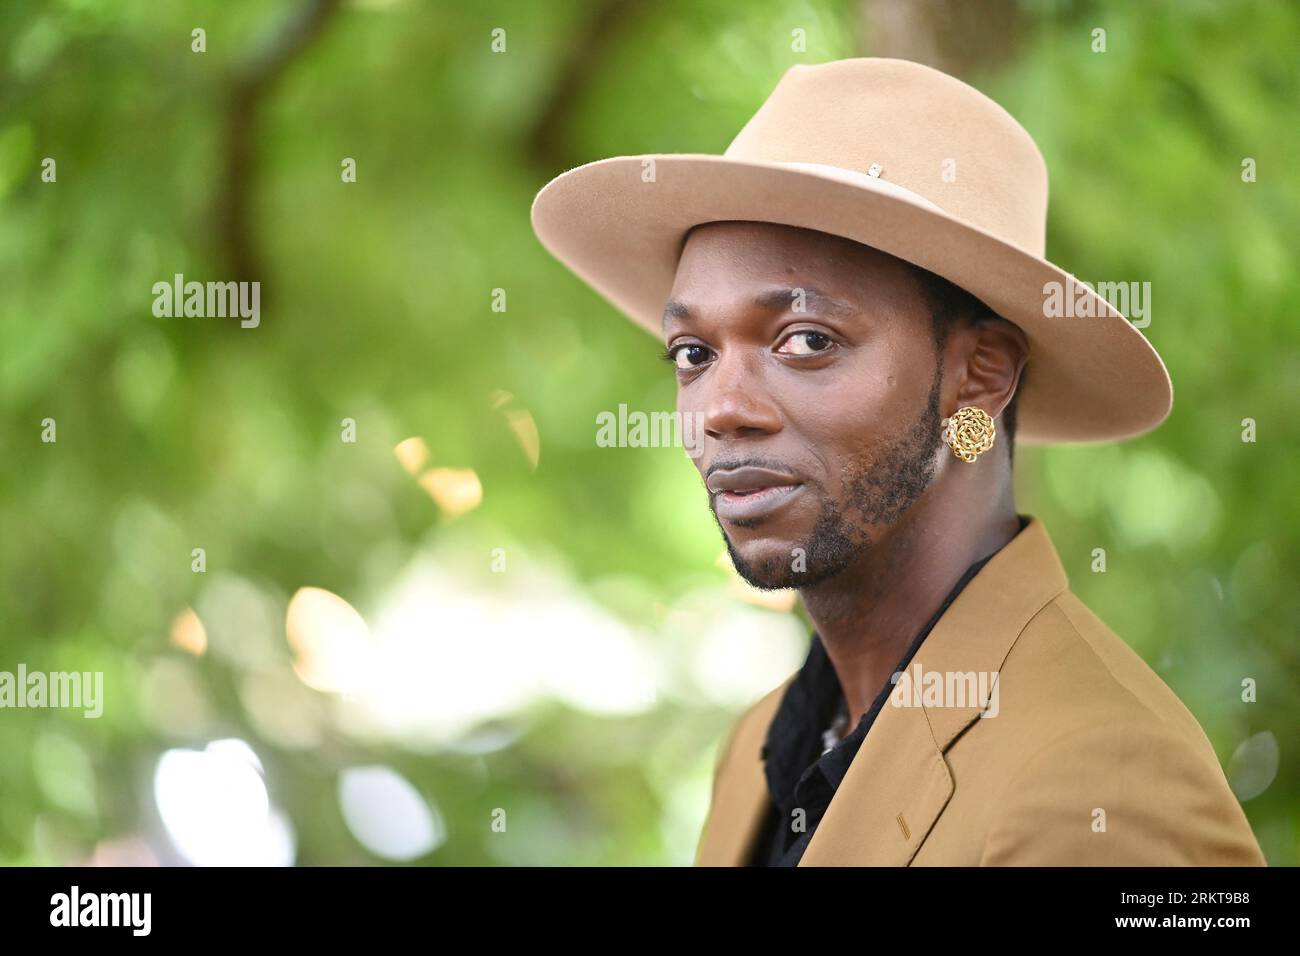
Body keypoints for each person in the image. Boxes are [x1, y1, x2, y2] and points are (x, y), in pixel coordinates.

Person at [530, 58, 1265, 865]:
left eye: (806, 341)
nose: (722, 409)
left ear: (979, 376)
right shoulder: (758, 751)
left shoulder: (1104, 785)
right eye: (693, 352)